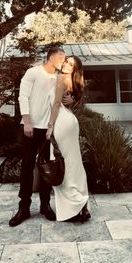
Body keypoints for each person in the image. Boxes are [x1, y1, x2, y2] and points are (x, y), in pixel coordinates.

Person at [9, 47, 73, 227]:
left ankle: (45, 206)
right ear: (52, 58)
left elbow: (62, 101)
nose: (64, 61)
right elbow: (23, 97)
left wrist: (71, 100)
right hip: (30, 128)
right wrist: (27, 121)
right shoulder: (33, 72)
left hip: (49, 130)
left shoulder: (59, 78)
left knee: (46, 167)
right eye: (61, 58)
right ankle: (24, 208)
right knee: (27, 166)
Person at [46, 55, 91, 222]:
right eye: (66, 61)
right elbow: (64, 101)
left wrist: (50, 126)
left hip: (61, 122)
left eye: (70, 64)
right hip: (70, 121)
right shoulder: (71, 81)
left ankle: (75, 206)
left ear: (74, 69)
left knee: (61, 163)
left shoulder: (61, 78)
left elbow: (56, 103)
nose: (66, 64)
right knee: (73, 163)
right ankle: (82, 204)